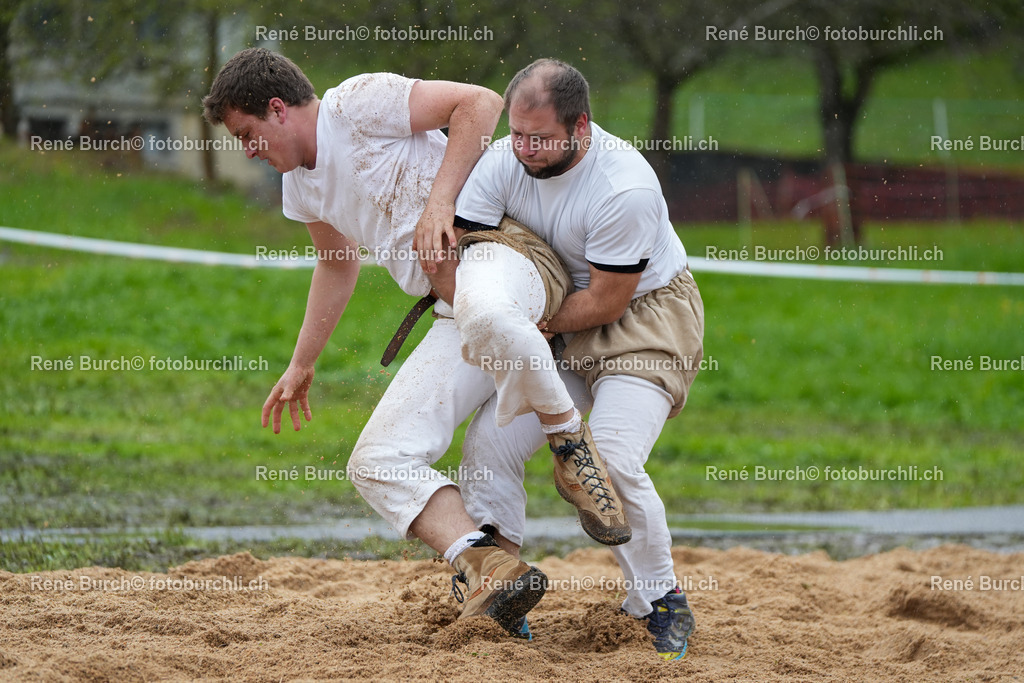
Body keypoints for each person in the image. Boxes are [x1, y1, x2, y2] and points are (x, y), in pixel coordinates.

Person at [201, 48, 622, 637]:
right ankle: (491, 573)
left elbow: (479, 103)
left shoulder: (354, 102)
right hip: (453, 305)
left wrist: (440, 204)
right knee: (376, 461)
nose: (248, 150)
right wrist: (302, 363)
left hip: (500, 256)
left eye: (247, 134)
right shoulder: (299, 188)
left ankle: (572, 446)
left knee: (485, 320)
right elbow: (336, 263)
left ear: (277, 109)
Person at [446, 58, 705, 660]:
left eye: (540, 138)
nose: (525, 149)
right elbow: (466, 247)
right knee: (488, 443)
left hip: (640, 319)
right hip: (554, 321)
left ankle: (660, 601)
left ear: (581, 126)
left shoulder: (625, 187)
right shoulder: (503, 160)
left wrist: (525, 324)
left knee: (608, 458)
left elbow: (607, 300)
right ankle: (500, 591)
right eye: (517, 134)